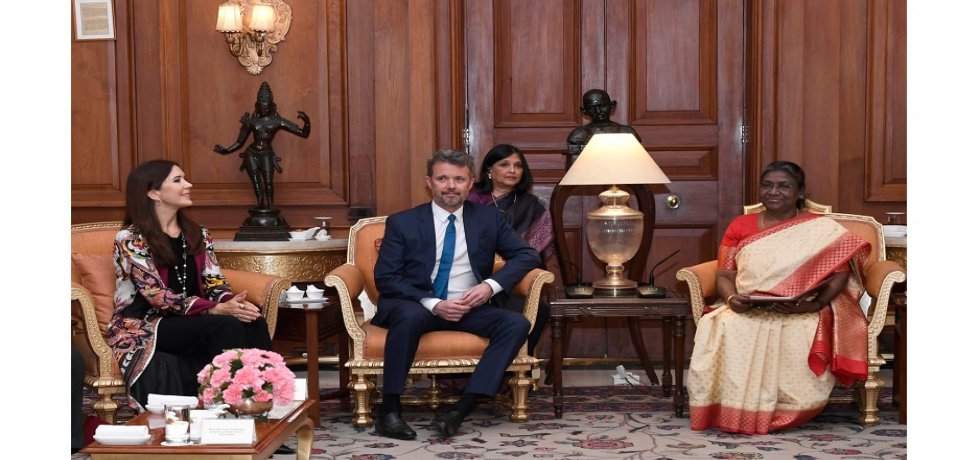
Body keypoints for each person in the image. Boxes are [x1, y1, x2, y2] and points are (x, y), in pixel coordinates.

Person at [687, 161, 871, 435]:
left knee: (803, 329)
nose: (774, 192)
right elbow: (725, 275)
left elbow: (840, 276)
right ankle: (733, 407)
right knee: (722, 323)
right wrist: (730, 300)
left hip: (800, 308)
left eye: (783, 186)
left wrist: (815, 304)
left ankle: (790, 407)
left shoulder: (821, 228)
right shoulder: (740, 225)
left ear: (799, 192)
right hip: (747, 305)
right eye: (767, 185)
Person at [371, 149, 540, 440]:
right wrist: (434, 304)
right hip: (419, 304)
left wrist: (490, 286)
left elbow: (527, 255)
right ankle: (389, 410)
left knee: (516, 323)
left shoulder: (489, 219)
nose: (451, 186)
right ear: (430, 182)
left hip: (469, 307)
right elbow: (386, 278)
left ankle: (461, 409)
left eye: (458, 179)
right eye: (443, 178)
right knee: (409, 316)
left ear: (471, 182)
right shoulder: (403, 222)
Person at [107, 160, 274, 410]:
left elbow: (214, 282)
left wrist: (231, 303)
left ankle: (263, 409)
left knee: (253, 321)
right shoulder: (131, 239)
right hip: (146, 324)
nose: (188, 184)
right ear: (153, 193)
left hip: (191, 318)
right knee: (223, 325)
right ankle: (227, 408)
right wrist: (211, 309)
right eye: (178, 180)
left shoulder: (197, 233)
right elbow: (156, 296)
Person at [468, 143, 555, 355]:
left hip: (513, 280)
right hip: (471, 276)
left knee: (537, 310)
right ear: (489, 170)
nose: (512, 170)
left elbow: (534, 254)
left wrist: (503, 269)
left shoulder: (533, 205)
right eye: (504, 164)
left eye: (518, 165)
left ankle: (511, 373)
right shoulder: (469, 200)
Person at [214, 81, 310, 209]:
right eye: (261, 106)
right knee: (256, 181)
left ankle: (270, 206)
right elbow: (240, 142)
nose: (263, 109)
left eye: (266, 106)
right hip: (251, 153)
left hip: (266, 153)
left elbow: (303, 133)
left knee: (268, 181)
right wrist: (226, 150)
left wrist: (307, 122)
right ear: (256, 106)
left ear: (272, 107)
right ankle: (260, 205)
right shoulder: (251, 121)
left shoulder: (277, 121)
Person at [566, 89, 641, 157]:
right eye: (592, 108)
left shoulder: (627, 132)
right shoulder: (579, 135)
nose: (598, 111)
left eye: (602, 106)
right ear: (584, 111)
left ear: (612, 106)